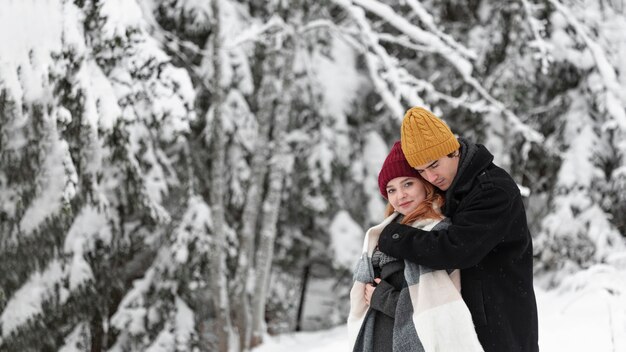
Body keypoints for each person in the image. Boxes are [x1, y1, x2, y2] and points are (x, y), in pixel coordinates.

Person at [377, 107, 539, 352]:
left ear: (453, 150)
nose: (431, 176)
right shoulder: (455, 186)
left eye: (434, 165)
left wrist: (394, 236)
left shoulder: (492, 190)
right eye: (421, 171)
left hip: (501, 323)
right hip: (473, 323)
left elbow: (455, 249)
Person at [348, 141, 483, 352]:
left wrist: (381, 297)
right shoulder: (388, 233)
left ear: (425, 183)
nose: (400, 196)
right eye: (391, 190)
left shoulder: (436, 234)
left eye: (408, 184)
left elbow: (436, 308)